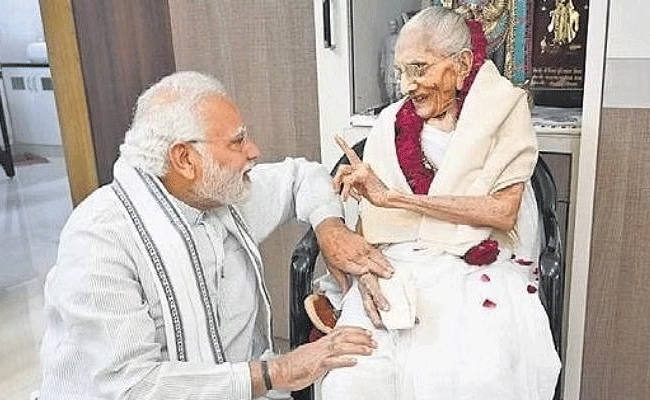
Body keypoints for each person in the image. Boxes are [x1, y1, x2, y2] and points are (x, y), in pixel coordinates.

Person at [39, 71, 394, 399]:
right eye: (237, 141)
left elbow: (304, 176)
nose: (253, 150)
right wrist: (277, 372)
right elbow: (135, 387)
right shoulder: (98, 240)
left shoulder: (220, 193)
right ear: (184, 159)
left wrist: (330, 229)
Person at [319, 7, 561, 400]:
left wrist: (396, 198)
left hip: (478, 263)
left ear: (462, 64)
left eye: (418, 68)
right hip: (398, 266)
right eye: (401, 72)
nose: (406, 85)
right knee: (350, 380)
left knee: (472, 380)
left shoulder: (504, 109)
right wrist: (364, 276)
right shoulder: (391, 123)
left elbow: (502, 212)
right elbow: (371, 227)